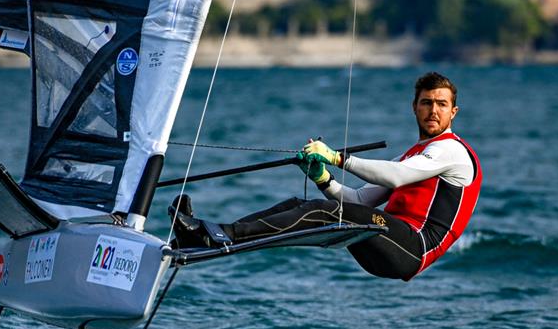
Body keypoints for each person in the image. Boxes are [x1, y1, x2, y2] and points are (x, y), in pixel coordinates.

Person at [170, 72, 482, 281]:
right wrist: (323, 178)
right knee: (300, 204)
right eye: (426, 103)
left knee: (326, 213)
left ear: (453, 112)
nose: (433, 110)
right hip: (385, 242)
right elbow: (360, 199)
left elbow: (397, 178)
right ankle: (211, 234)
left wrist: (336, 158)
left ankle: (216, 236)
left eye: (442, 104)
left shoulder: (450, 151)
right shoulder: (415, 155)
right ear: (414, 107)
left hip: (411, 250)